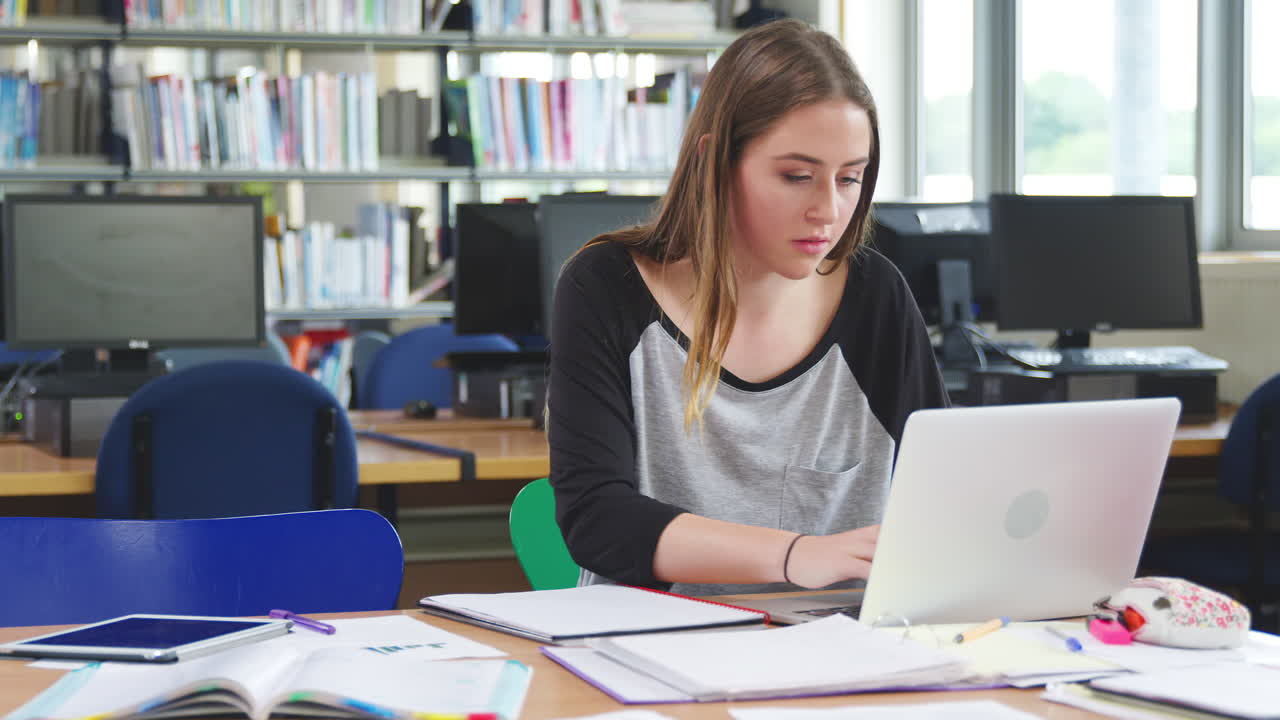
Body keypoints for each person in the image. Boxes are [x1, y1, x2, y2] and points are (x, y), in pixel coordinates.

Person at [546, 18, 949, 597]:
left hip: (840, 646)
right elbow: (597, 521)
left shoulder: (875, 294)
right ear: (716, 162)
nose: (828, 210)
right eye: (797, 176)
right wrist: (795, 556)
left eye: (850, 179)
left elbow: (940, 489)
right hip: (652, 647)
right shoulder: (604, 286)